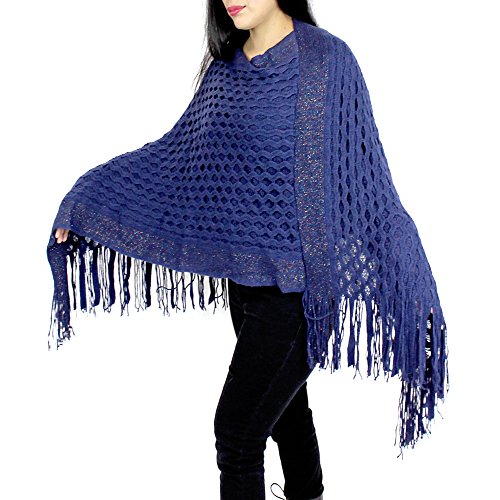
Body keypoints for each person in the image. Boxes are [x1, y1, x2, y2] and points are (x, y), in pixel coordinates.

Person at [49, 1, 449, 499]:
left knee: (237, 434)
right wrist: (87, 200)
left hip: (299, 295)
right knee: (286, 413)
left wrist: (408, 278)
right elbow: (177, 157)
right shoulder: (224, 69)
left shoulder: (325, 61)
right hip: (244, 285)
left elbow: (363, 181)